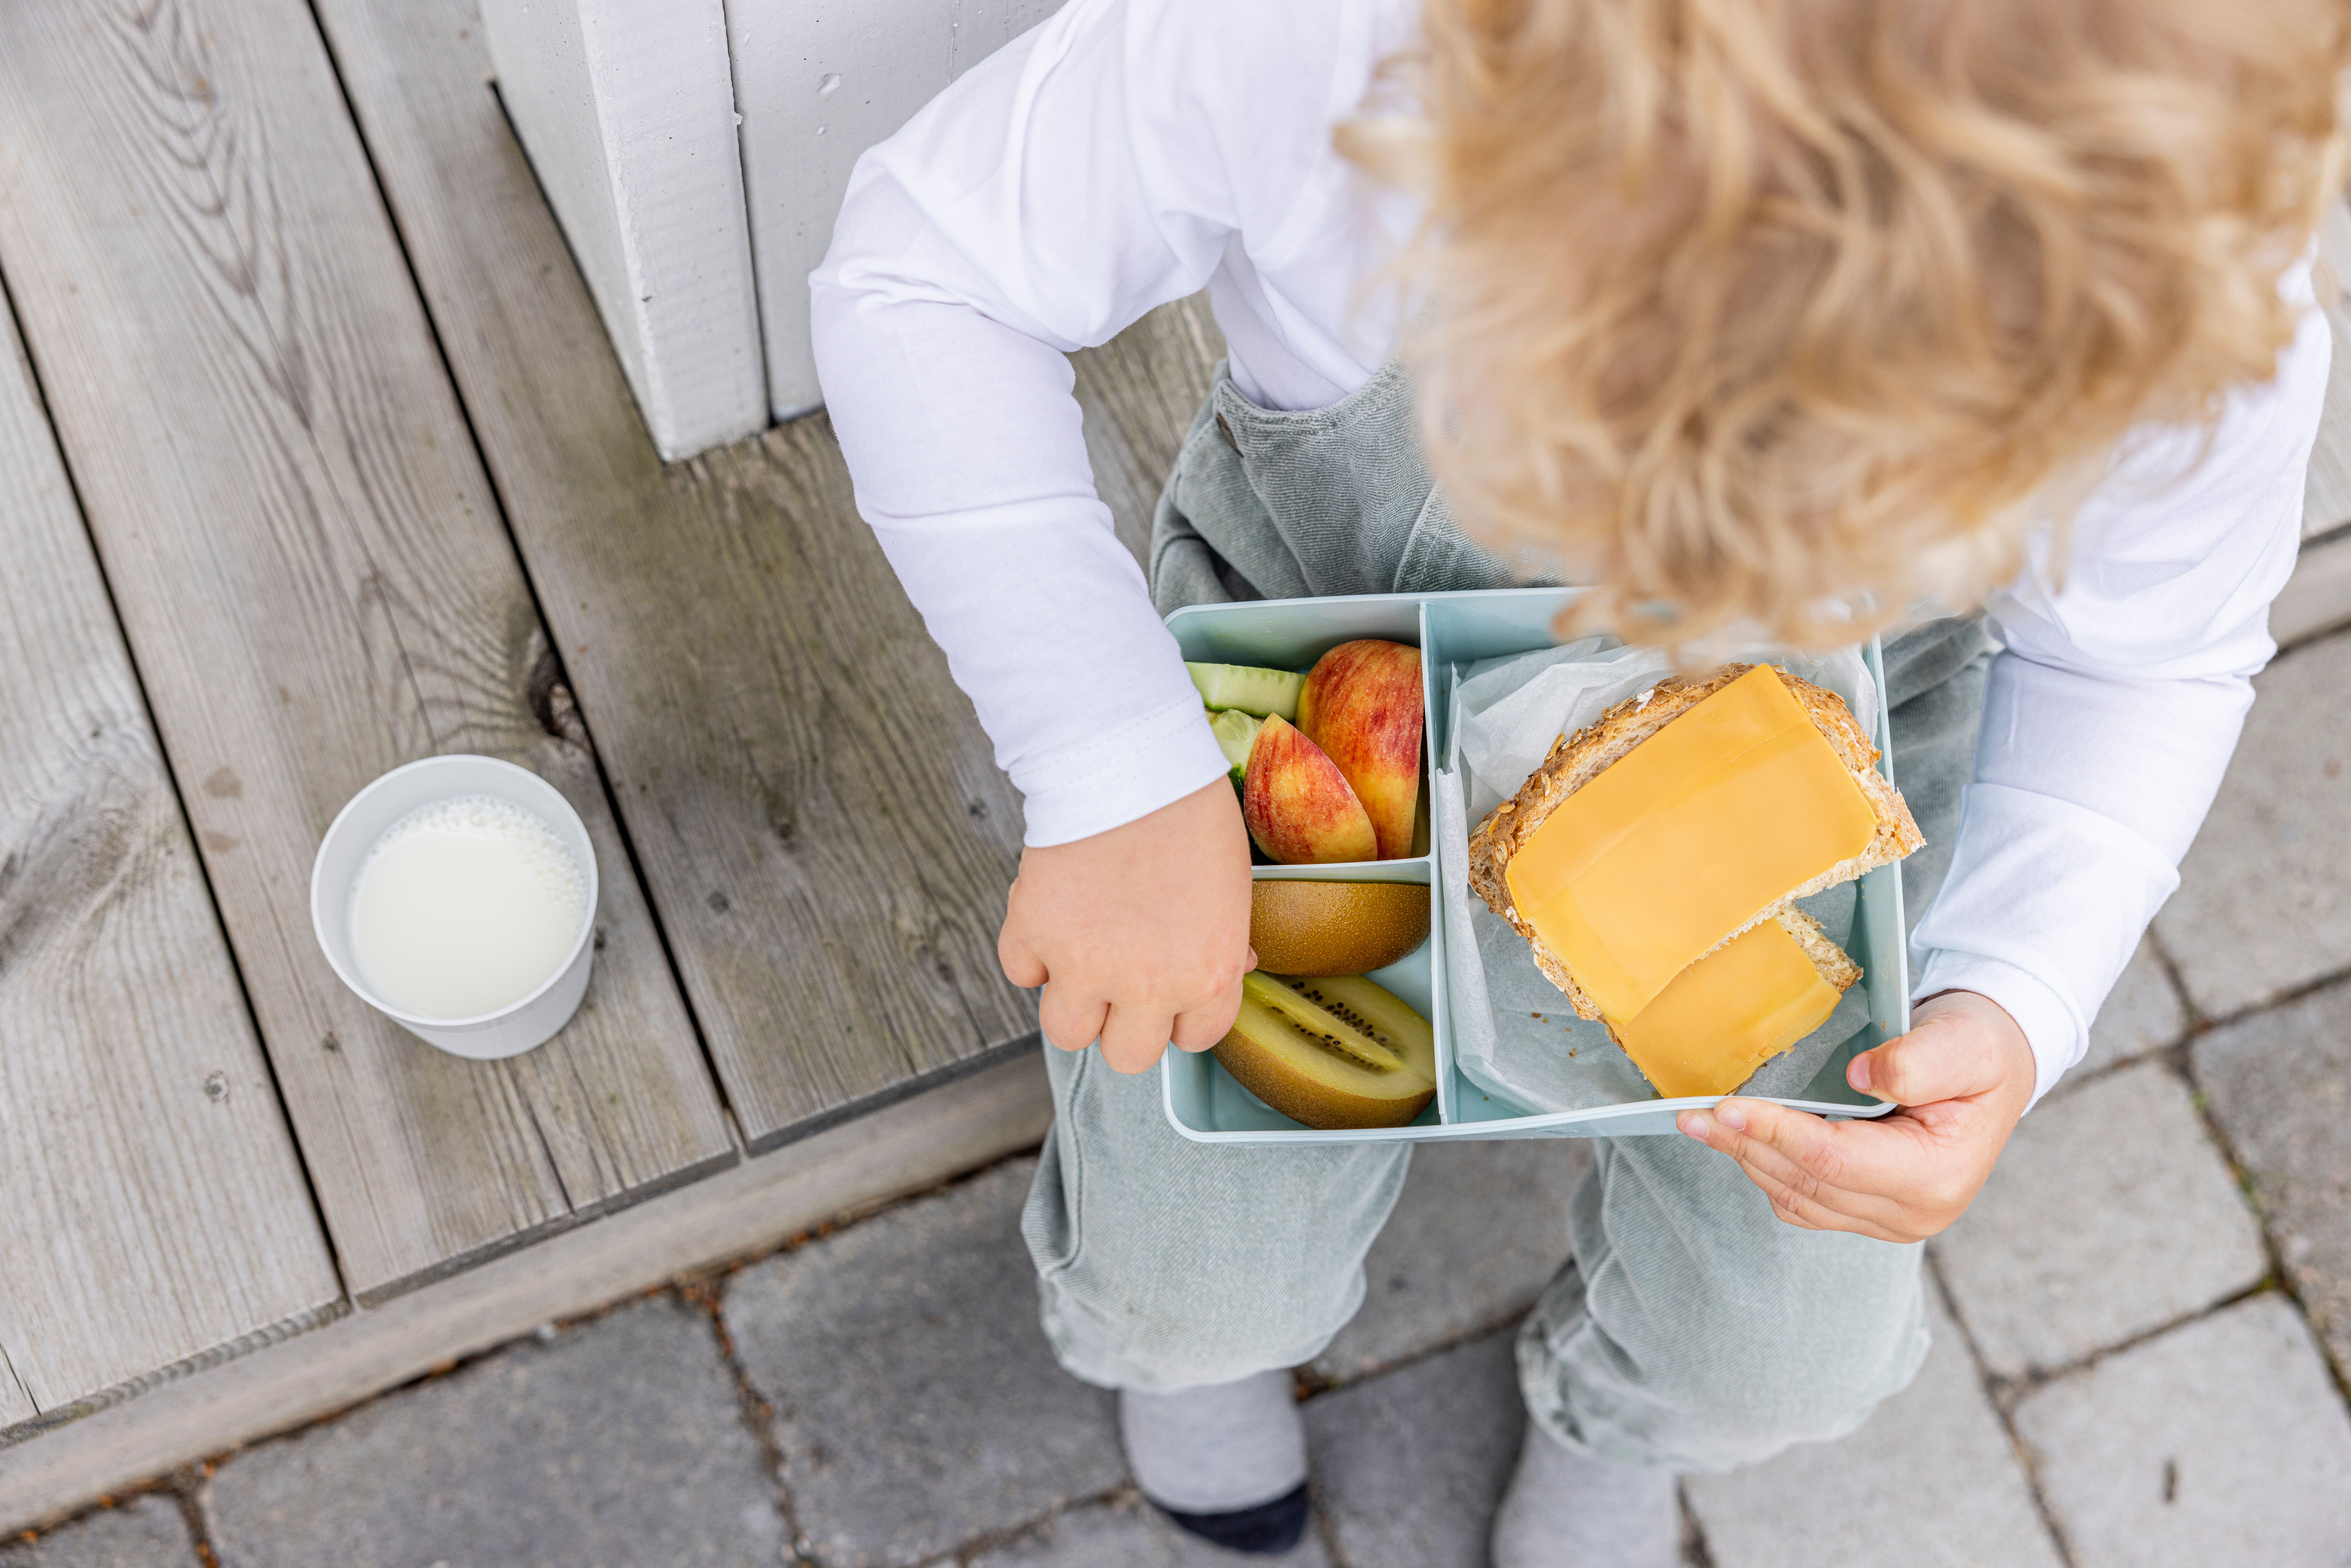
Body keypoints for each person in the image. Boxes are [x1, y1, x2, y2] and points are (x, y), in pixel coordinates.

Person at [810, 0, 2344, 1560]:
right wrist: (1112, 764)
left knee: (1772, 1355)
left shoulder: (2197, 295)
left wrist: (2016, 992)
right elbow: (922, 274)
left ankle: (1634, 1419)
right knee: (1188, 1260)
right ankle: (1188, 1349)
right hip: (1335, 660)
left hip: (1817, 765)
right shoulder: (1327, 39)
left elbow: (2141, 657)